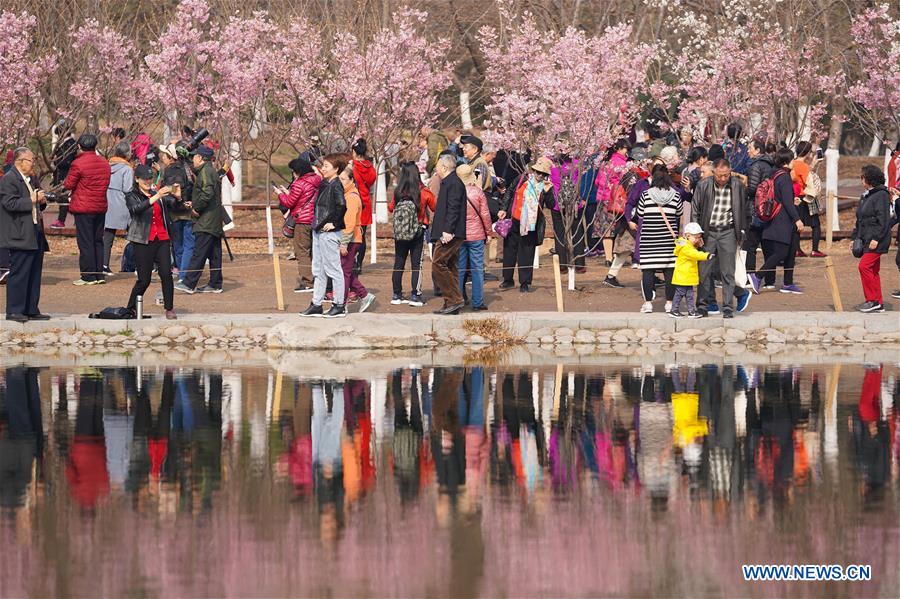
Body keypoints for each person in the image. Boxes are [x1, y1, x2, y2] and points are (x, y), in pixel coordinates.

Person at [691, 159, 752, 318]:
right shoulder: (703, 185)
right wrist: (696, 233)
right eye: (720, 176)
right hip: (708, 232)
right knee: (704, 271)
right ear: (713, 173)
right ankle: (702, 306)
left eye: (726, 175)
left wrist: (742, 232)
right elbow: (695, 210)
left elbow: (744, 210)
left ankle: (727, 307)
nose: (723, 179)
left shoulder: (737, 185)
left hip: (728, 231)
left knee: (728, 271)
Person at [0, 148, 50, 322]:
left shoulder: (31, 179)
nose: (33, 163)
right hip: (19, 232)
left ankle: (30, 308)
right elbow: (9, 203)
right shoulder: (9, 179)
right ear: (19, 161)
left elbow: (35, 202)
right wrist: (32, 200)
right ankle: (14, 310)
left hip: (34, 230)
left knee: (34, 272)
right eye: (30, 160)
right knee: (19, 272)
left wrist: (41, 201)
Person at [125, 164, 178, 320]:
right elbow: (136, 210)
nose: (148, 181)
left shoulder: (157, 194)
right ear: (136, 179)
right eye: (144, 179)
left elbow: (173, 207)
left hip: (162, 238)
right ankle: (131, 307)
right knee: (144, 279)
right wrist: (157, 196)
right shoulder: (131, 195)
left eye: (150, 178)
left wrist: (179, 197)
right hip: (142, 240)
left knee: (166, 275)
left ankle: (169, 308)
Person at [748, 147, 805, 294]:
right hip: (783, 221)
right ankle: (758, 276)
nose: (794, 162)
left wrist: (793, 201)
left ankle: (787, 283)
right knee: (781, 252)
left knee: (791, 250)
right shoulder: (784, 178)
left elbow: (782, 198)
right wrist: (797, 219)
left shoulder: (775, 175)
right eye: (792, 160)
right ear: (786, 161)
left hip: (776, 219)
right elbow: (786, 201)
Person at [300, 153, 348, 318]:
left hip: (329, 233)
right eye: (324, 165)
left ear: (336, 169)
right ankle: (316, 303)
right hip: (318, 229)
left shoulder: (336, 185)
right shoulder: (324, 183)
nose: (323, 168)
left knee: (333, 269)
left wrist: (334, 223)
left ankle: (339, 304)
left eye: (327, 166)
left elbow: (342, 205)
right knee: (318, 269)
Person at [498, 157, 554, 293]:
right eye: (537, 172)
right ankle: (508, 279)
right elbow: (510, 192)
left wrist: (547, 191)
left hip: (531, 225)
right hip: (514, 219)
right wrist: (503, 208)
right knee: (509, 250)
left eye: (543, 174)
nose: (540, 175)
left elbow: (552, 205)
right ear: (533, 170)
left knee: (526, 253)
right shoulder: (522, 179)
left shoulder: (546, 186)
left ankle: (525, 282)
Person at [175, 145, 224, 294]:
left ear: (200, 158)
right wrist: (194, 203)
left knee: (199, 252)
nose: (193, 159)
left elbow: (207, 193)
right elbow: (207, 193)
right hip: (213, 219)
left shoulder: (205, 172)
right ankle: (215, 283)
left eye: (195, 157)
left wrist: (197, 208)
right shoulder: (209, 171)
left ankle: (189, 283)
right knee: (214, 254)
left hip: (206, 221)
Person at [64, 133, 111, 285]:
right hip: (100, 206)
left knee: (85, 242)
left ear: (79, 146)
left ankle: (88, 275)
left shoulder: (78, 163)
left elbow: (68, 184)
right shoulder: (104, 163)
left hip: (84, 207)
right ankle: (99, 274)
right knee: (98, 240)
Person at [636, 165, 683, 313]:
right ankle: (669, 303)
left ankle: (648, 303)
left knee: (648, 271)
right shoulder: (675, 195)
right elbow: (679, 212)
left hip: (649, 238)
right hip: (668, 239)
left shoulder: (646, 194)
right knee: (669, 271)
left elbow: (640, 213)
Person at [388, 161, 435, 307]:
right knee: (416, 264)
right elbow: (434, 206)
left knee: (399, 262)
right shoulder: (424, 191)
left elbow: (390, 208)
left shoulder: (398, 192)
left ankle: (396, 294)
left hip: (401, 232)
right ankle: (415, 295)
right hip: (418, 232)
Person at [430, 154, 468, 314]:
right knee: (450, 266)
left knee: (438, 264)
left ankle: (455, 300)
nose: (436, 167)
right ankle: (451, 302)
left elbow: (453, 208)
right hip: (447, 231)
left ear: (444, 167)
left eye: (438, 165)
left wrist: (448, 230)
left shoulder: (453, 183)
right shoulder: (449, 182)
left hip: (450, 233)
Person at [277, 156, 321, 293]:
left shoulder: (299, 183)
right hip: (313, 220)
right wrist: (288, 193)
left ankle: (308, 282)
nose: (293, 174)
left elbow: (289, 203)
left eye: (293, 171)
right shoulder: (316, 180)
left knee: (301, 251)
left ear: (298, 171)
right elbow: (302, 199)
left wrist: (279, 194)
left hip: (302, 221)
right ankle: (317, 278)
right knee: (313, 250)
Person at [852, 165, 892, 313]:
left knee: (864, 266)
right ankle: (878, 303)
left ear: (869, 178)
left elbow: (884, 219)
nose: (861, 179)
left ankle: (872, 300)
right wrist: (854, 238)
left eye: (862, 177)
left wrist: (876, 238)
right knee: (873, 270)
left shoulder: (881, 195)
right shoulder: (866, 196)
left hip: (877, 239)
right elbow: (860, 219)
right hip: (866, 238)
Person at [338, 160, 375, 313]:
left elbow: (350, 222)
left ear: (351, 180)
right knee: (345, 271)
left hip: (351, 239)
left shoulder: (352, 197)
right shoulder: (346, 194)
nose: (340, 182)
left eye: (343, 179)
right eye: (339, 179)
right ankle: (364, 295)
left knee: (344, 273)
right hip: (349, 238)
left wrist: (344, 243)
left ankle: (342, 304)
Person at [457, 164, 493, 311]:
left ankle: (458, 299)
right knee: (477, 269)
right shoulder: (478, 192)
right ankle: (477, 302)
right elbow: (485, 215)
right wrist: (489, 232)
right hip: (477, 235)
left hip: (459, 235)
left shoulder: (454, 192)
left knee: (459, 269)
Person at [158, 143, 194, 281]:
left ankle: (183, 275)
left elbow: (173, 189)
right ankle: (184, 274)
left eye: (164, 154)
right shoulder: (186, 167)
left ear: (170, 157)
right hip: (188, 211)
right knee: (187, 245)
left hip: (176, 212)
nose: (162, 157)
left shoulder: (172, 170)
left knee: (180, 246)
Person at [595, 139, 630, 265]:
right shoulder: (622, 164)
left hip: (602, 198)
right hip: (616, 199)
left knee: (606, 229)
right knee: (619, 227)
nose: (627, 152)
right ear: (619, 148)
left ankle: (608, 258)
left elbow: (597, 182)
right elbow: (626, 182)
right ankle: (616, 256)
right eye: (626, 149)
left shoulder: (605, 162)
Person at [744, 139, 776, 274]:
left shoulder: (755, 166)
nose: (748, 150)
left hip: (755, 209)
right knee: (767, 246)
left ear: (757, 150)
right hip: (768, 209)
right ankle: (770, 279)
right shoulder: (770, 165)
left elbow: (752, 189)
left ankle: (749, 275)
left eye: (750, 148)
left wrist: (742, 187)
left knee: (750, 246)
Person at [791, 141, 825, 258]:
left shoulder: (793, 163)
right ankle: (815, 249)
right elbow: (808, 181)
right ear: (807, 153)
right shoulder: (804, 166)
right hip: (806, 197)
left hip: (796, 198)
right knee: (815, 225)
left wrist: (814, 163)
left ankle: (797, 249)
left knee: (797, 224)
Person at [103, 142, 133, 276]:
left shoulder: (107, 165)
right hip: (121, 203)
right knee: (135, 232)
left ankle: (104, 265)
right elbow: (128, 189)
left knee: (108, 235)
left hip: (107, 202)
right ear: (126, 154)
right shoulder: (127, 169)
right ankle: (140, 264)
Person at [670, 223, 711, 318]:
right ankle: (674, 310)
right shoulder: (686, 247)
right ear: (688, 236)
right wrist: (706, 255)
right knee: (680, 294)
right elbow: (694, 254)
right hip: (683, 277)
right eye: (695, 237)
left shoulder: (687, 245)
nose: (697, 239)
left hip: (685, 277)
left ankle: (691, 311)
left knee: (689, 295)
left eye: (699, 237)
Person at [350, 139, 376, 275]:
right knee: (362, 235)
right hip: (365, 202)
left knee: (350, 233)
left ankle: (351, 261)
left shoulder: (352, 166)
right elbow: (371, 181)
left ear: (354, 152)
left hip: (353, 202)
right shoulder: (370, 167)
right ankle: (359, 263)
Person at [49, 120, 78, 229]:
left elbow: (67, 161)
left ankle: (62, 220)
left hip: (66, 174)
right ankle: (71, 218)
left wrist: (56, 161)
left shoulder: (70, 144)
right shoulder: (64, 143)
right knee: (63, 198)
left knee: (64, 198)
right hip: (61, 174)